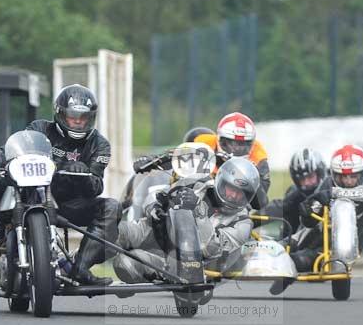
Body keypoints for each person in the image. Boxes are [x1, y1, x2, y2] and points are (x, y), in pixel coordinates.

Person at [0, 83, 118, 286]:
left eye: (83, 118)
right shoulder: (39, 128)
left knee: (112, 207)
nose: (78, 123)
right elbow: (9, 150)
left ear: (91, 118)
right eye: (73, 117)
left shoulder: (100, 144)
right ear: (60, 114)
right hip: (26, 189)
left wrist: (83, 174)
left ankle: (79, 268)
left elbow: (96, 186)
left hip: (66, 202)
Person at [113, 156, 260, 283]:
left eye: (240, 193)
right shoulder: (197, 182)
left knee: (126, 264)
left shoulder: (243, 224)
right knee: (111, 231)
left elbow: (210, 250)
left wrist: (198, 208)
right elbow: (159, 192)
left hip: (182, 264)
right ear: (221, 181)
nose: (233, 196)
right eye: (231, 189)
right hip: (154, 230)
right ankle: (88, 273)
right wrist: (155, 206)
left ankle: (151, 271)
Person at [133, 112, 270, 209]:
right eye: (231, 143)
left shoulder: (259, 158)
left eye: (242, 145)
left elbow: (260, 203)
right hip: (200, 199)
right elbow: (179, 155)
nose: (236, 149)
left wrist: (247, 176)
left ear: (252, 144)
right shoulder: (205, 143)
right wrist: (153, 161)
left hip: (235, 209)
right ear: (219, 139)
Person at [288, 144, 363, 272]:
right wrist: (308, 212)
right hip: (318, 241)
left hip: (350, 247)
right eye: (343, 177)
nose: (348, 182)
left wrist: (333, 194)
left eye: (353, 176)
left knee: (303, 261)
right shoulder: (328, 184)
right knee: (293, 259)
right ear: (335, 174)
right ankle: (288, 244)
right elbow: (310, 220)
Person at [263, 147, 327, 233]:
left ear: (320, 173)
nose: (307, 182)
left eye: (310, 176)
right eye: (302, 179)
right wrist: (252, 220)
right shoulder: (294, 195)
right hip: (302, 243)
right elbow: (277, 208)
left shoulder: (331, 188)